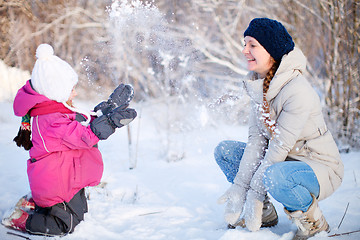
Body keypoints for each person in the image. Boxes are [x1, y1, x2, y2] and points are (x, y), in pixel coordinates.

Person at [215, 18, 344, 240]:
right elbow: (257, 141)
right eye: (244, 43)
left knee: (274, 175)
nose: (244, 50)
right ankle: (264, 213)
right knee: (226, 152)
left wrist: (255, 191)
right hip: (283, 162)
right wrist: (240, 186)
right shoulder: (259, 86)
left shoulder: (297, 90)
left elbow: (279, 145)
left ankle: (314, 222)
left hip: (317, 166)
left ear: (271, 50)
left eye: (252, 45)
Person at [2, 43, 137, 236]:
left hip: (61, 179)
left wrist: (106, 109)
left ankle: (35, 204)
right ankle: (22, 220)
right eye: (71, 89)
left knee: (78, 212)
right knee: (68, 224)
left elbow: (80, 123)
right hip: (57, 184)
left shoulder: (51, 112)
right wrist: (111, 123)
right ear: (55, 92)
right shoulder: (52, 121)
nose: (75, 93)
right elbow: (84, 135)